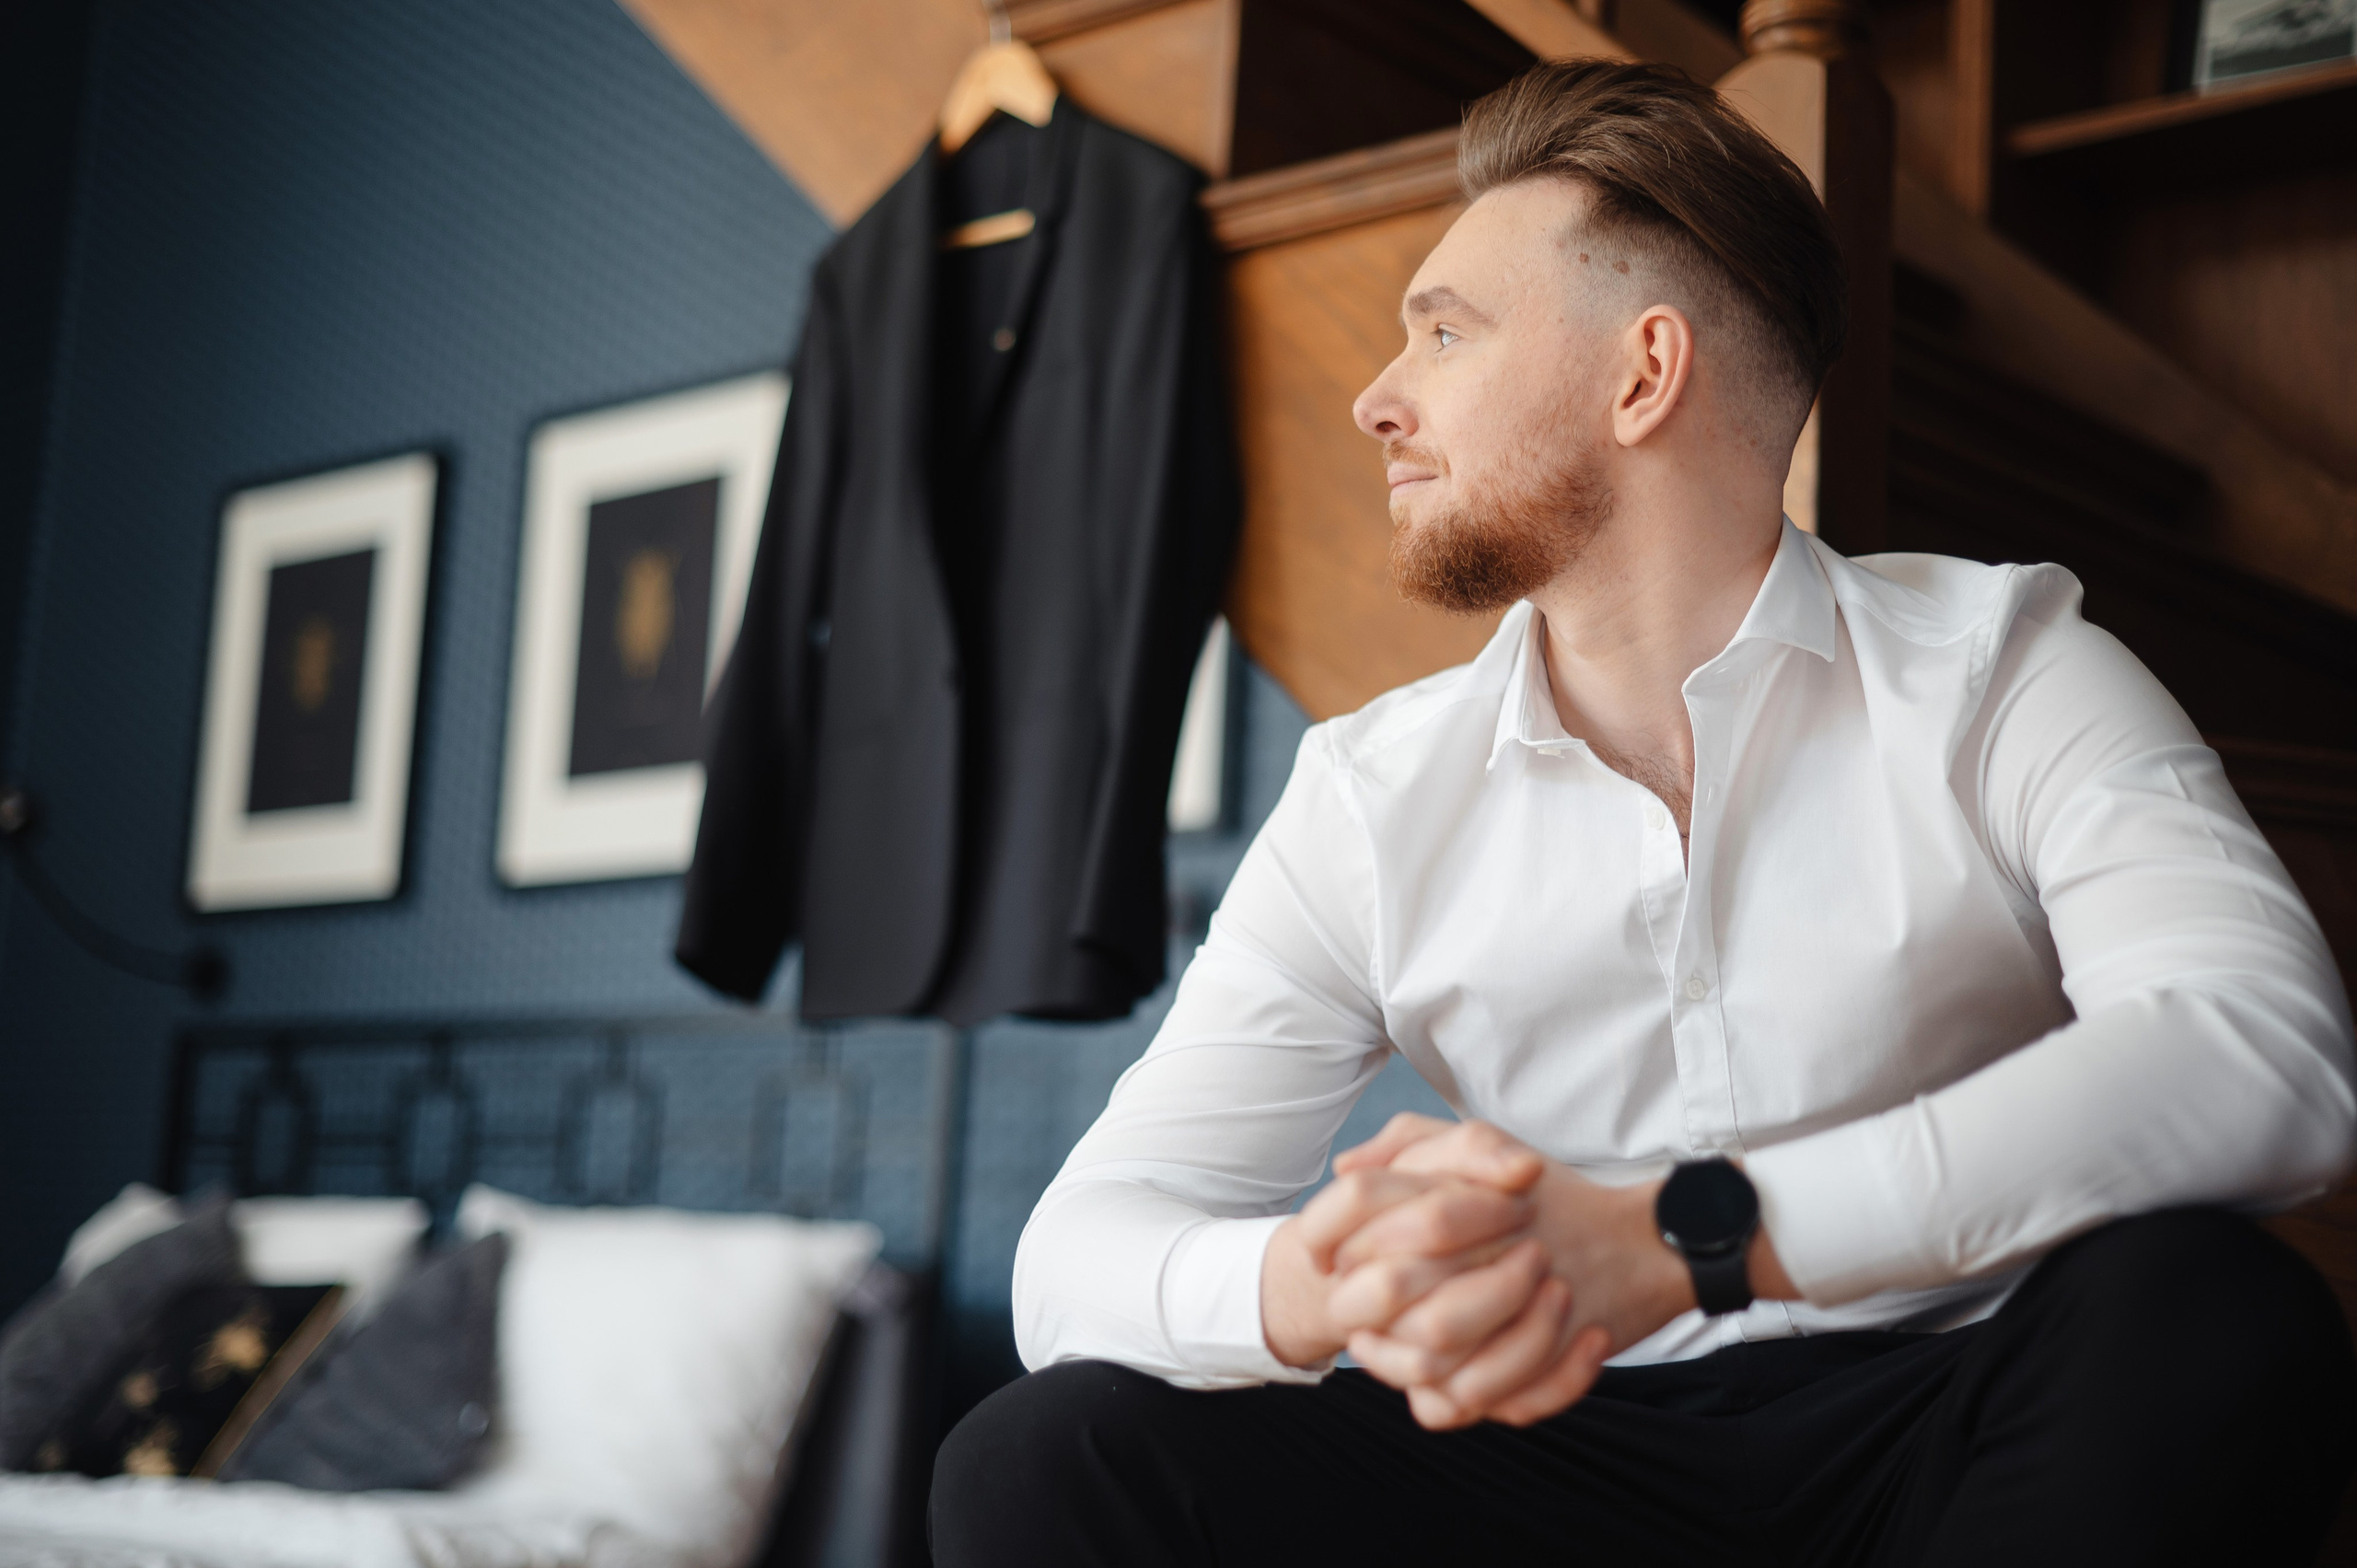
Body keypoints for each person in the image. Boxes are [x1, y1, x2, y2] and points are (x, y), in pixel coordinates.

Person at [930, 59, 2357, 1567]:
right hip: (1553, 1463)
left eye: (1445, 330)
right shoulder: (1372, 797)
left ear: (1642, 373)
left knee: (2220, 1314)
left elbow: (2269, 1055)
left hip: (1956, 1425)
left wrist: (1687, 1240)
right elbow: (1072, 1261)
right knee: (1046, 1456)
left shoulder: (2005, 672)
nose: (1379, 398)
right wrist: (1338, 1281)